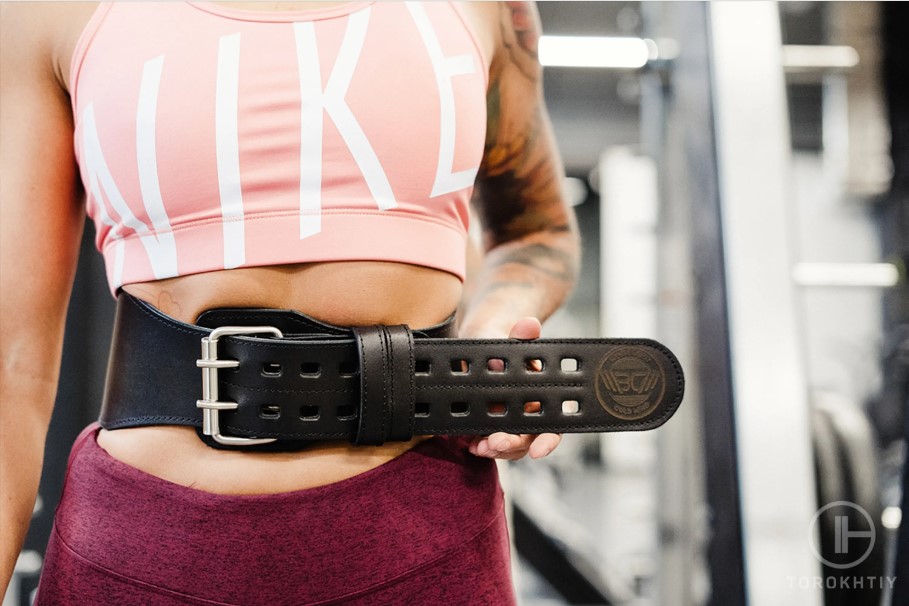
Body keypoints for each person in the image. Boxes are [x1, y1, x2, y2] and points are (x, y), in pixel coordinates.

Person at [0, 1, 579, 603]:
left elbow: (536, 233)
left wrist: (489, 340)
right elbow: (10, 367)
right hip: (145, 542)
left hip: (420, 536)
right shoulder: (47, 10)